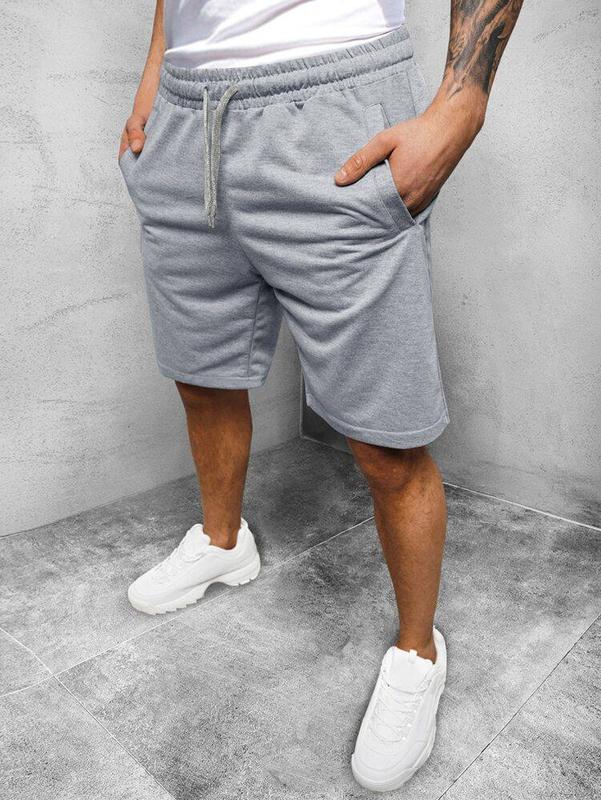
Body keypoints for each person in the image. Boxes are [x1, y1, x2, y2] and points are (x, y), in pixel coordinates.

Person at [121, 0, 523, 790]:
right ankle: (223, 543)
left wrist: (462, 102)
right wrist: (151, 79)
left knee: (386, 440)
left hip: (332, 110)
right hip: (182, 122)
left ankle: (417, 653)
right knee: (201, 376)